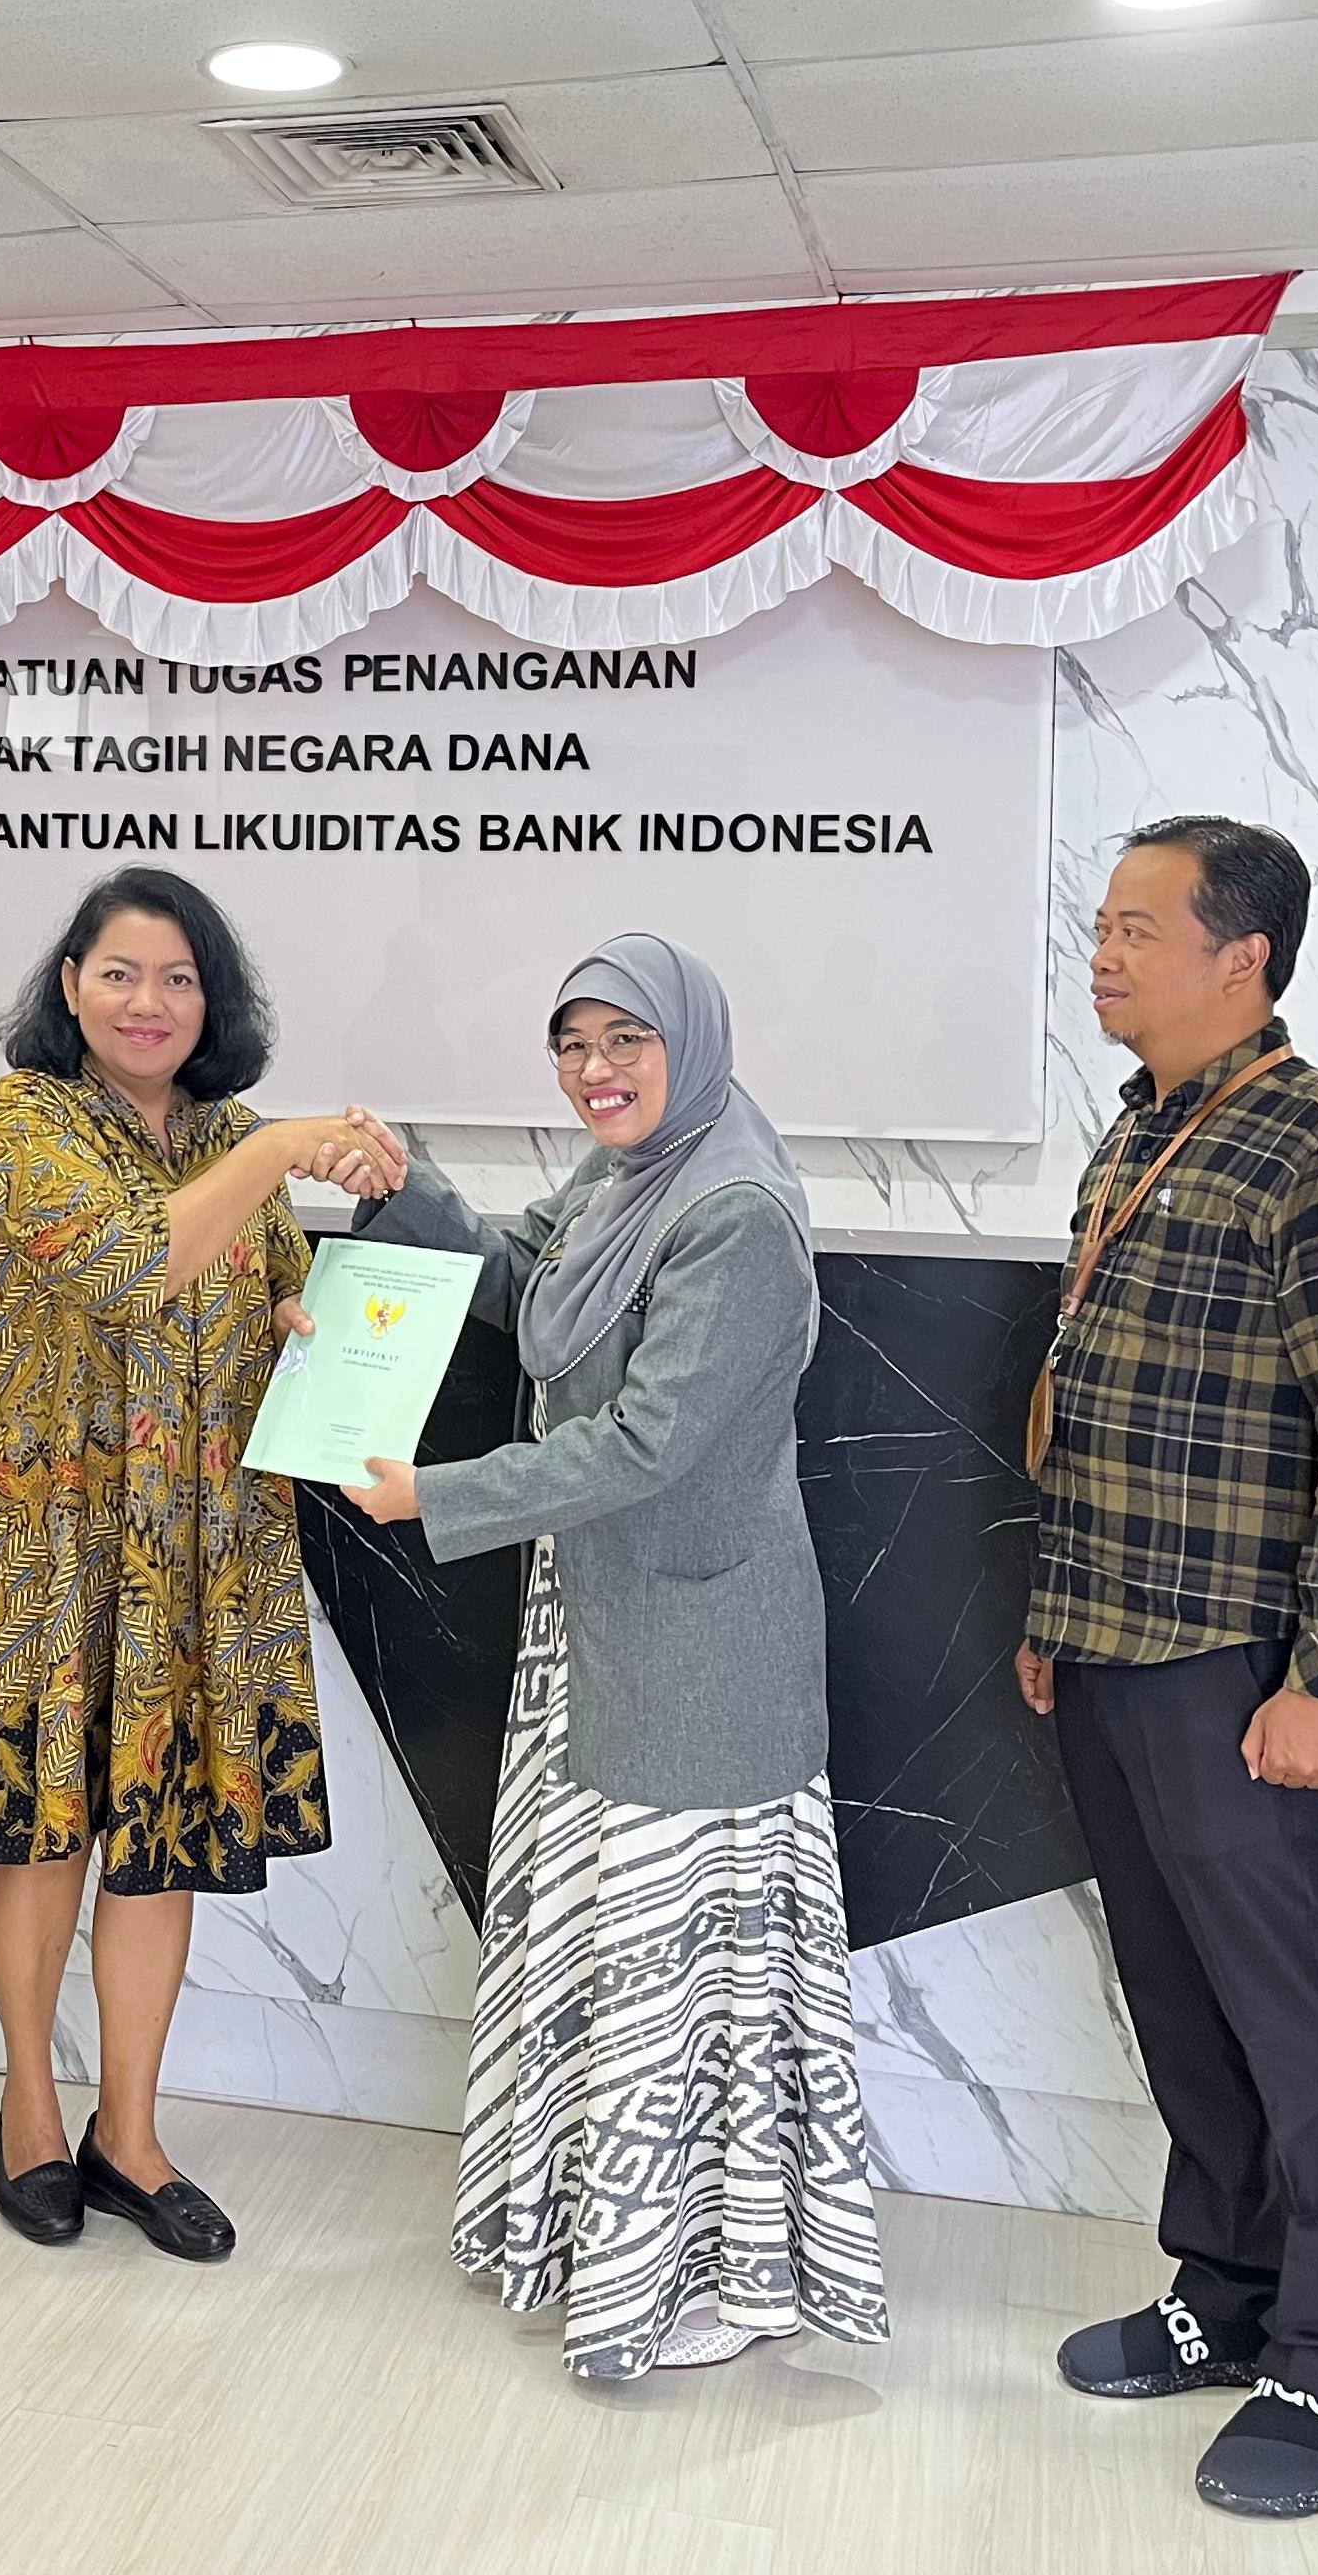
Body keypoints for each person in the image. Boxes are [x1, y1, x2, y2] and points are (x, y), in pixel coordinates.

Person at [342, 938, 892, 2384]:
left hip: (703, 1643)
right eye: (573, 1044)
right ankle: (611, 2229)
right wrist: (400, 1188)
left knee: (693, 1972)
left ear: (691, 1041)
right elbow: (530, 1279)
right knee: (615, 1953)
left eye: (625, 1040)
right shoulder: (626, 1176)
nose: (597, 1070)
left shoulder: (734, 1213)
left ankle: (729, 2270)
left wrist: (438, 1496)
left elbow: (652, 1441)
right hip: (597, 1631)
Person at [1015, 813, 1318, 2518]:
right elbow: (1098, 1399)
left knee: (1297, 2010)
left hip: (1239, 1661)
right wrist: (1054, 1613)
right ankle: (1225, 2291)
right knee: (1181, 2002)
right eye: (1100, 925)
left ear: (1240, 955)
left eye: (1133, 927)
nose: (1099, 953)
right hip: (1111, 1643)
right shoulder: (1139, 1134)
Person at [0, 867, 384, 2262]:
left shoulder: (233, 1133)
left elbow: (270, 1314)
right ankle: (29, 2110)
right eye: (122, 972)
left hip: (208, 1548)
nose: (151, 1002)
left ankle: (127, 2134)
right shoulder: (25, 1121)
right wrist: (277, 1156)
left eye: (181, 978)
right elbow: (134, 1268)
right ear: (71, 984)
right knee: (47, 1825)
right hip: (58, 1541)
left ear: (214, 1004)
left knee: (164, 1837)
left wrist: (333, 1322)